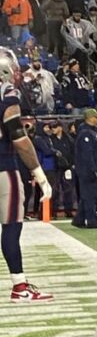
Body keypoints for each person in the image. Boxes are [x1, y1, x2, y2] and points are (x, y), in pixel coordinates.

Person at [0, 49, 53, 302]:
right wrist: (39, 173)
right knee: (11, 225)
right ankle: (19, 287)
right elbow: (18, 138)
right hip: (3, 168)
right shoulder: (8, 95)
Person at [72, 108, 97, 229]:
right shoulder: (86, 133)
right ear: (90, 119)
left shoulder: (89, 132)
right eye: (96, 117)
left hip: (88, 170)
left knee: (88, 195)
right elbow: (87, 154)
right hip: (87, 170)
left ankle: (79, 219)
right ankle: (92, 221)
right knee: (90, 196)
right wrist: (93, 170)